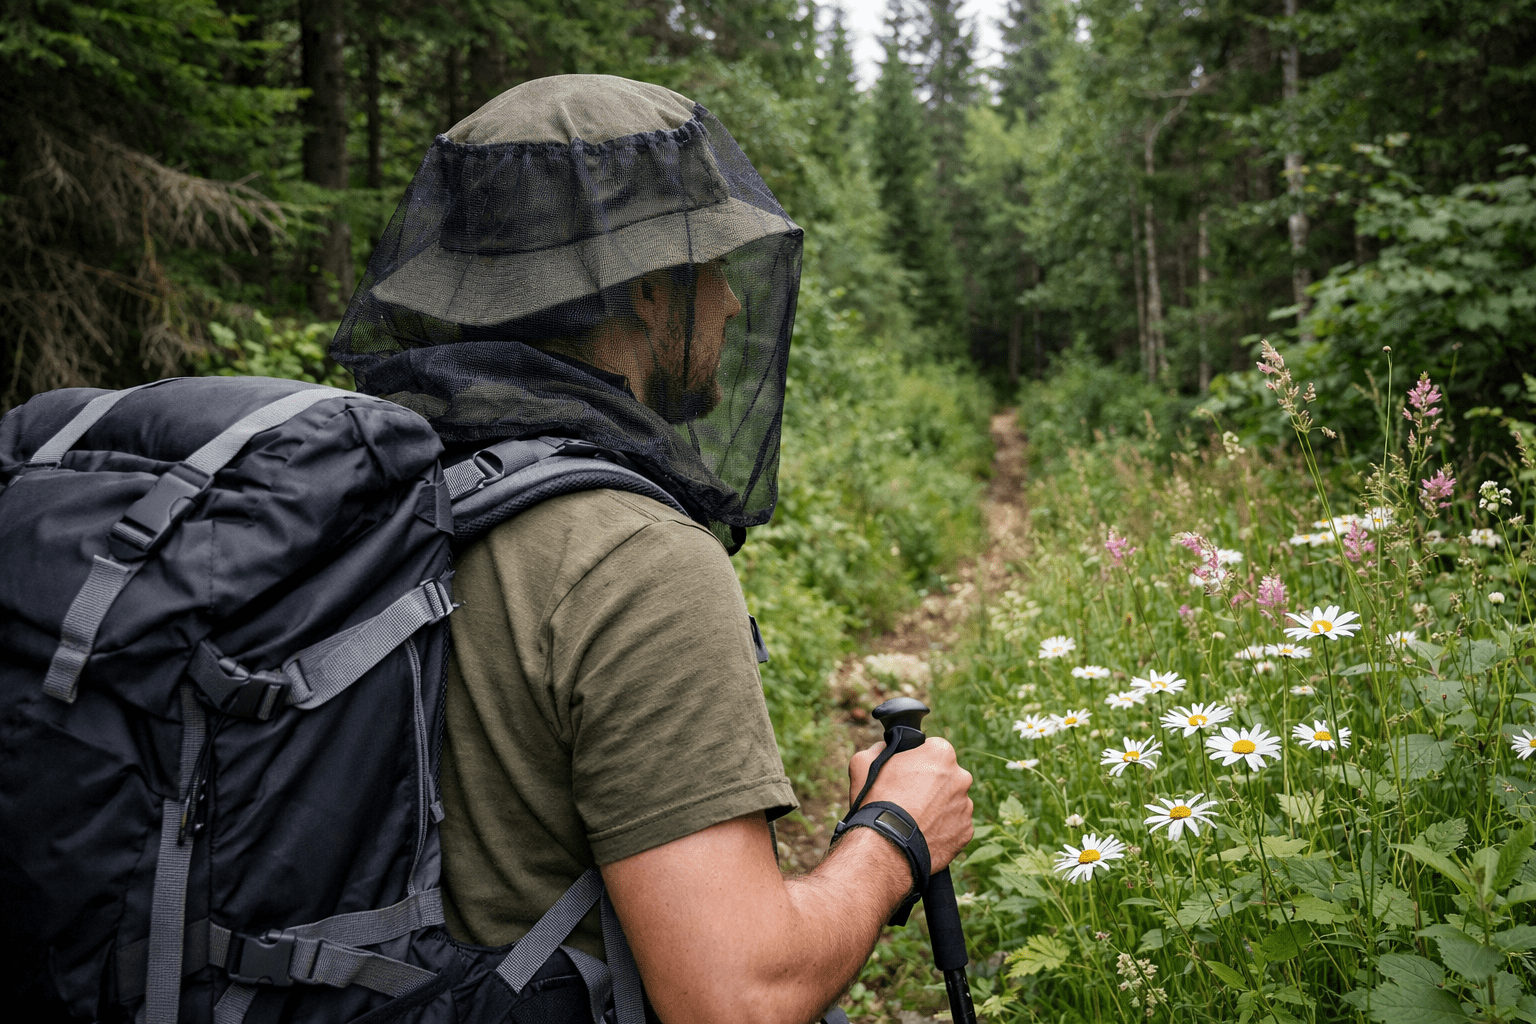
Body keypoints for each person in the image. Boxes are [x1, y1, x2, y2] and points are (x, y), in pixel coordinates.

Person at [331, 74, 975, 1024]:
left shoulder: (371, 487)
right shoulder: (632, 560)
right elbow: (737, 999)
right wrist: (895, 835)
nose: (733, 305)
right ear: (644, 289)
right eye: (709, 266)